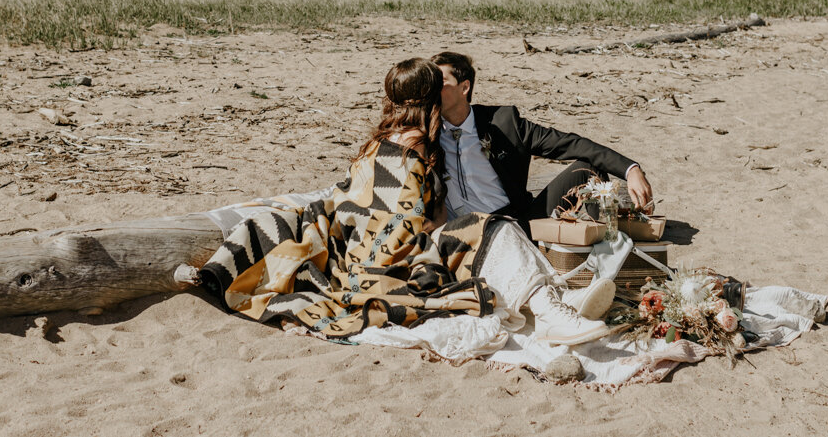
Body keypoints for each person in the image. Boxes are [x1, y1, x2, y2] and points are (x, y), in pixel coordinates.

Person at [201, 58, 613, 345]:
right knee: (492, 229)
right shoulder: (414, 147)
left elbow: (357, 197)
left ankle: (557, 302)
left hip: (360, 245)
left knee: (489, 228)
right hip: (392, 254)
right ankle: (552, 310)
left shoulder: (380, 141)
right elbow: (405, 218)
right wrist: (434, 228)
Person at [431, 50, 654, 224]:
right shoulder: (425, 130)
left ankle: (602, 242)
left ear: (464, 87)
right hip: (464, 231)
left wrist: (631, 169)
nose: (431, 90)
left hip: (517, 222)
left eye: (439, 83)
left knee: (588, 169)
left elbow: (570, 144)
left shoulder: (503, 122)